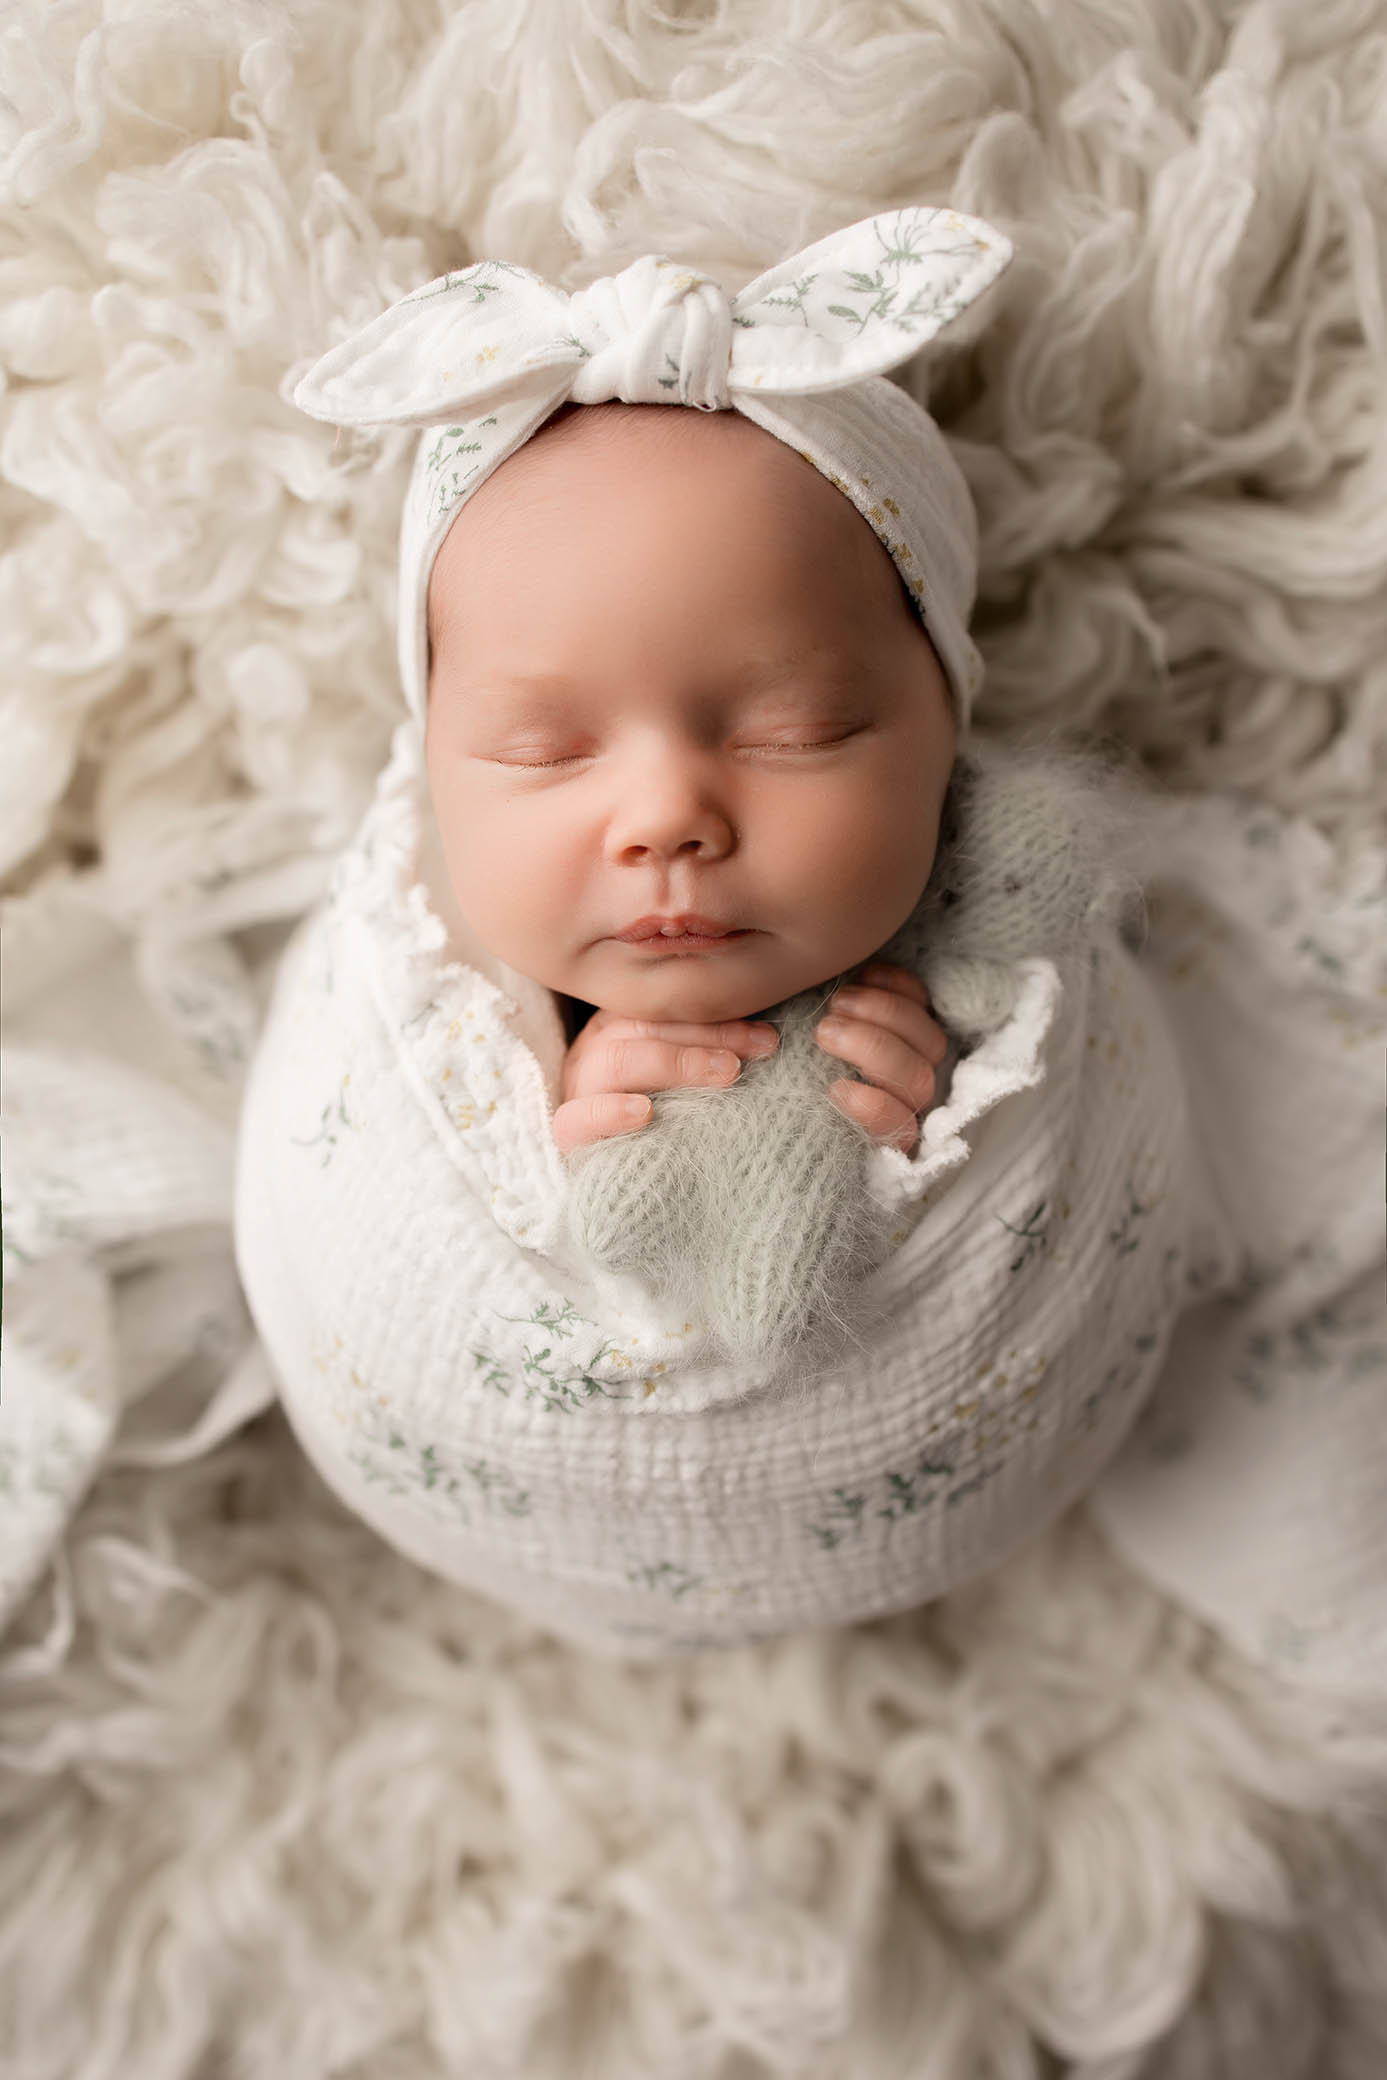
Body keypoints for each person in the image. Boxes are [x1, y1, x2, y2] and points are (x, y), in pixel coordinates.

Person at [233, 211, 1385, 1692]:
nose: (666, 818)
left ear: (944, 727)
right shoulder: (425, 965)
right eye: (542, 745)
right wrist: (569, 1120)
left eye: (794, 731)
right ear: (437, 760)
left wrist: (940, 1088)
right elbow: (426, 1155)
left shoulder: (970, 932)